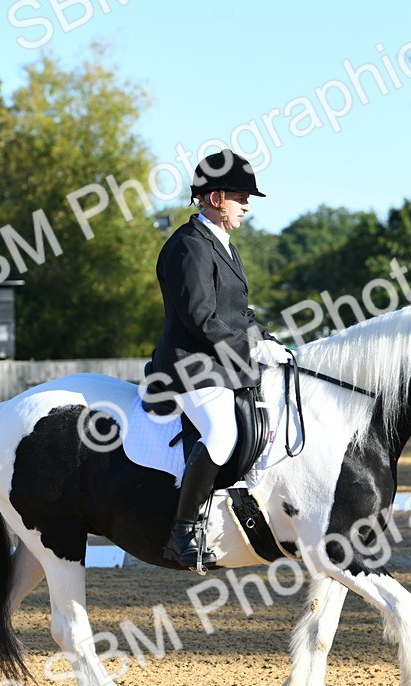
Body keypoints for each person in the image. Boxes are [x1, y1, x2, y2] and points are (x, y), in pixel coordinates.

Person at [145, 149, 291, 570]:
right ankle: (182, 530)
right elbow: (201, 318)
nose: (247, 205)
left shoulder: (222, 244)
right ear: (214, 197)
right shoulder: (189, 246)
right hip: (190, 365)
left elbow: (238, 314)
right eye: (240, 197)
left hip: (221, 362)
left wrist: (268, 340)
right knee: (222, 432)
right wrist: (250, 348)